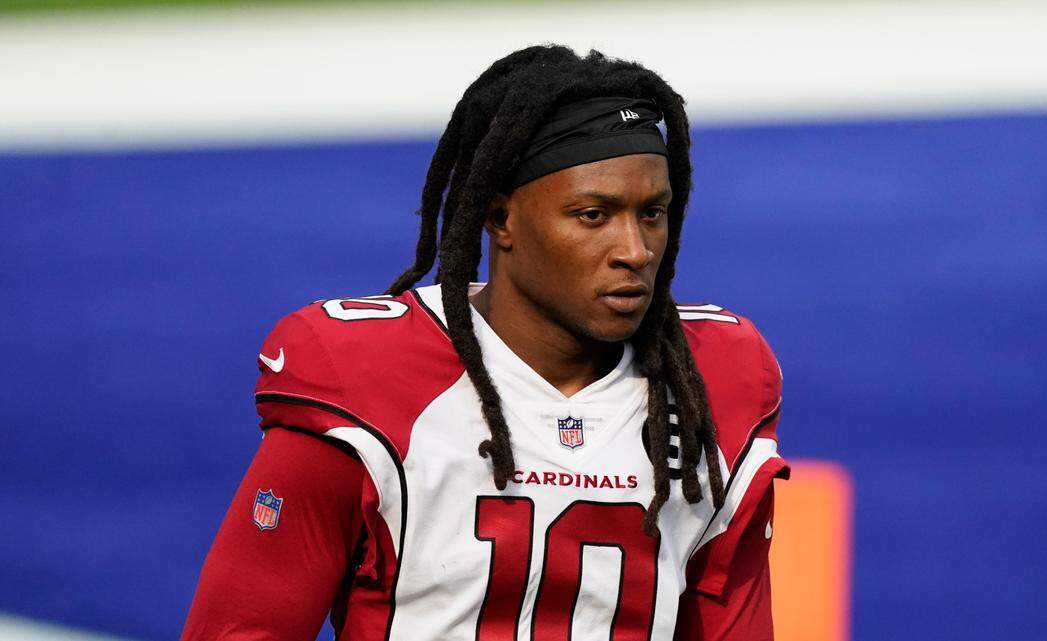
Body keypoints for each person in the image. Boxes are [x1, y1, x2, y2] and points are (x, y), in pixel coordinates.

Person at [181, 45, 787, 641]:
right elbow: (241, 627)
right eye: (593, 215)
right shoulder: (365, 377)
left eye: (652, 212)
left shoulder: (715, 376)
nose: (635, 250)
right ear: (502, 218)